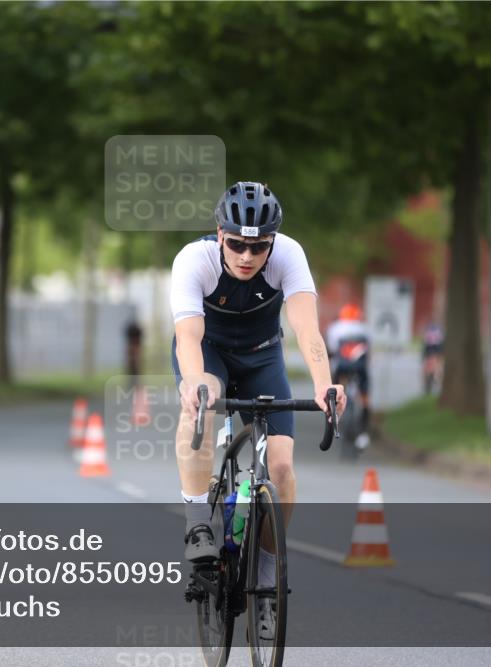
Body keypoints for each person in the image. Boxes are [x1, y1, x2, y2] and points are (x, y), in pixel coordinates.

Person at [170, 181, 347, 639]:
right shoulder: (194, 260)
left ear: (273, 242)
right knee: (203, 399)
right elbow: (188, 337)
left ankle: (266, 582)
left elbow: (307, 329)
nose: (247, 256)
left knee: (282, 469)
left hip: (262, 357)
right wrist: (194, 383)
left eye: (258, 246)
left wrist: (324, 384)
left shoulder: (289, 254)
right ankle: (197, 523)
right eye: (236, 244)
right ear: (219, 234)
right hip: (208, 353)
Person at [326, 303, 372, 447]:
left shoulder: (335, 328)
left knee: (333, 390)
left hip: (342, 368)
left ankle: (332, 412)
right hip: (360, 368)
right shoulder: (365, 329)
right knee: (364, 396)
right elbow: (368, 351)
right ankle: (364, 428)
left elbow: (332, 349)